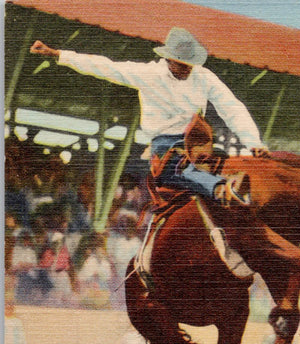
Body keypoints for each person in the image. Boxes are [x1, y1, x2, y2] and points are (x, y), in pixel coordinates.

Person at [30, 27, 270, 208]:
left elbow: (231, 107)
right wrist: (59, 54)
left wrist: (254, 143)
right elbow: (104, 67)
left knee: (223, 160)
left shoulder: (204, 77)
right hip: (165, 143)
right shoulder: (148, 74)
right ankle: (220, 190)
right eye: (181, 63)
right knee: (170, 171)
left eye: (190, 64)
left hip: (198, 142)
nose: (187, 68)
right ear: (168, 59)